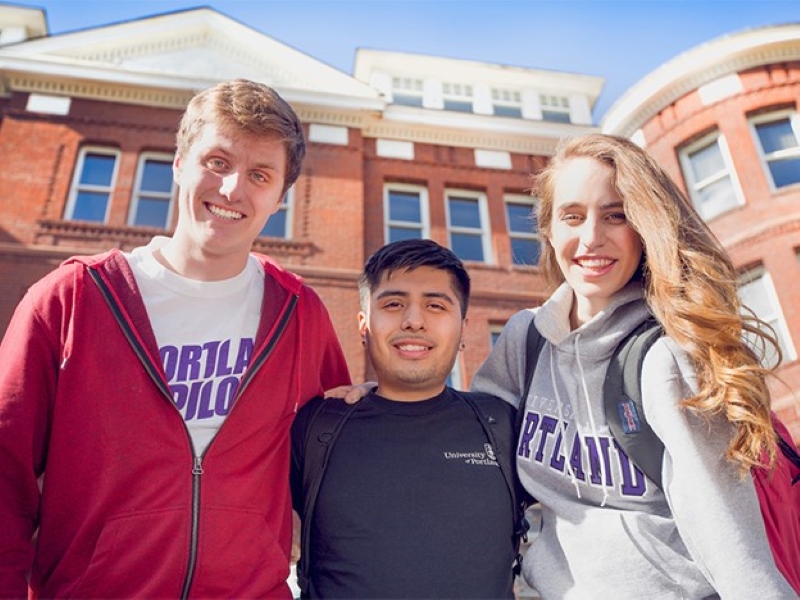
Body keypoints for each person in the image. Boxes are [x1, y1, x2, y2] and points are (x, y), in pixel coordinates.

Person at [0, 79, 350, 598]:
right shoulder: (72, 298)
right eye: (217, 161)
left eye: (259, 175)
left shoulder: (299, 312)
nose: (232, 190)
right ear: (180, 164)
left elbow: (334, 465)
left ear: (279, 198)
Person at [470, 133, 795, 598]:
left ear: (644, 228)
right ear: (548, 231)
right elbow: (462, 433)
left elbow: (730, 537)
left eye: (616, 215)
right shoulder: (527, 340)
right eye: (573, 216)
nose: (591, 238)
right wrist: (373, 403)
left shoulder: (667, 356)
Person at [291, 239, 521, 599]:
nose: (414, 321)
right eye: (394, 304)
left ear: (462, 328)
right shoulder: (315, 428)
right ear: (364, 325)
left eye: (435, 305)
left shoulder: (503, 425)